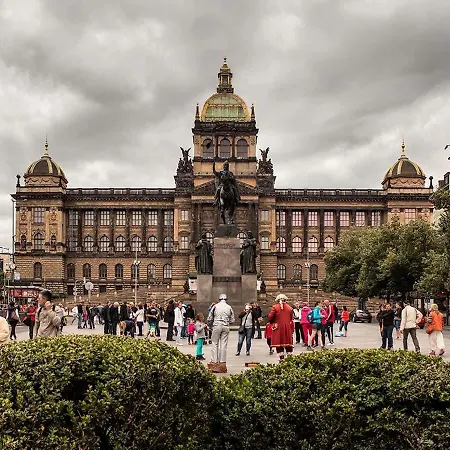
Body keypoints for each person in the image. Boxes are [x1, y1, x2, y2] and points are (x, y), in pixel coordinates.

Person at [207, 293, 235, 373]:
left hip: (217, 325)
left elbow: (209, 318)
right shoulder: (229, 307)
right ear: (226, 300)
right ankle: (222, 362)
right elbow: (232, 320)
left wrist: (210, 324)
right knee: (223, 344)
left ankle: (214, 361)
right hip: (225, 326)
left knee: (214, 343)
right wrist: (226, 321)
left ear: (219, 299)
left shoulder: (215, 306)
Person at [267, 294, 294, 361]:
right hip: (287, 328)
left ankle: (282, 359)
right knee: (288, 344)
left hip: (278, 328)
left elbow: (270, 317)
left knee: (279, 344)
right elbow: (291, 318)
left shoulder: (275, 307)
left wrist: (272, 322)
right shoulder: (290, 308)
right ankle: (289, 359)